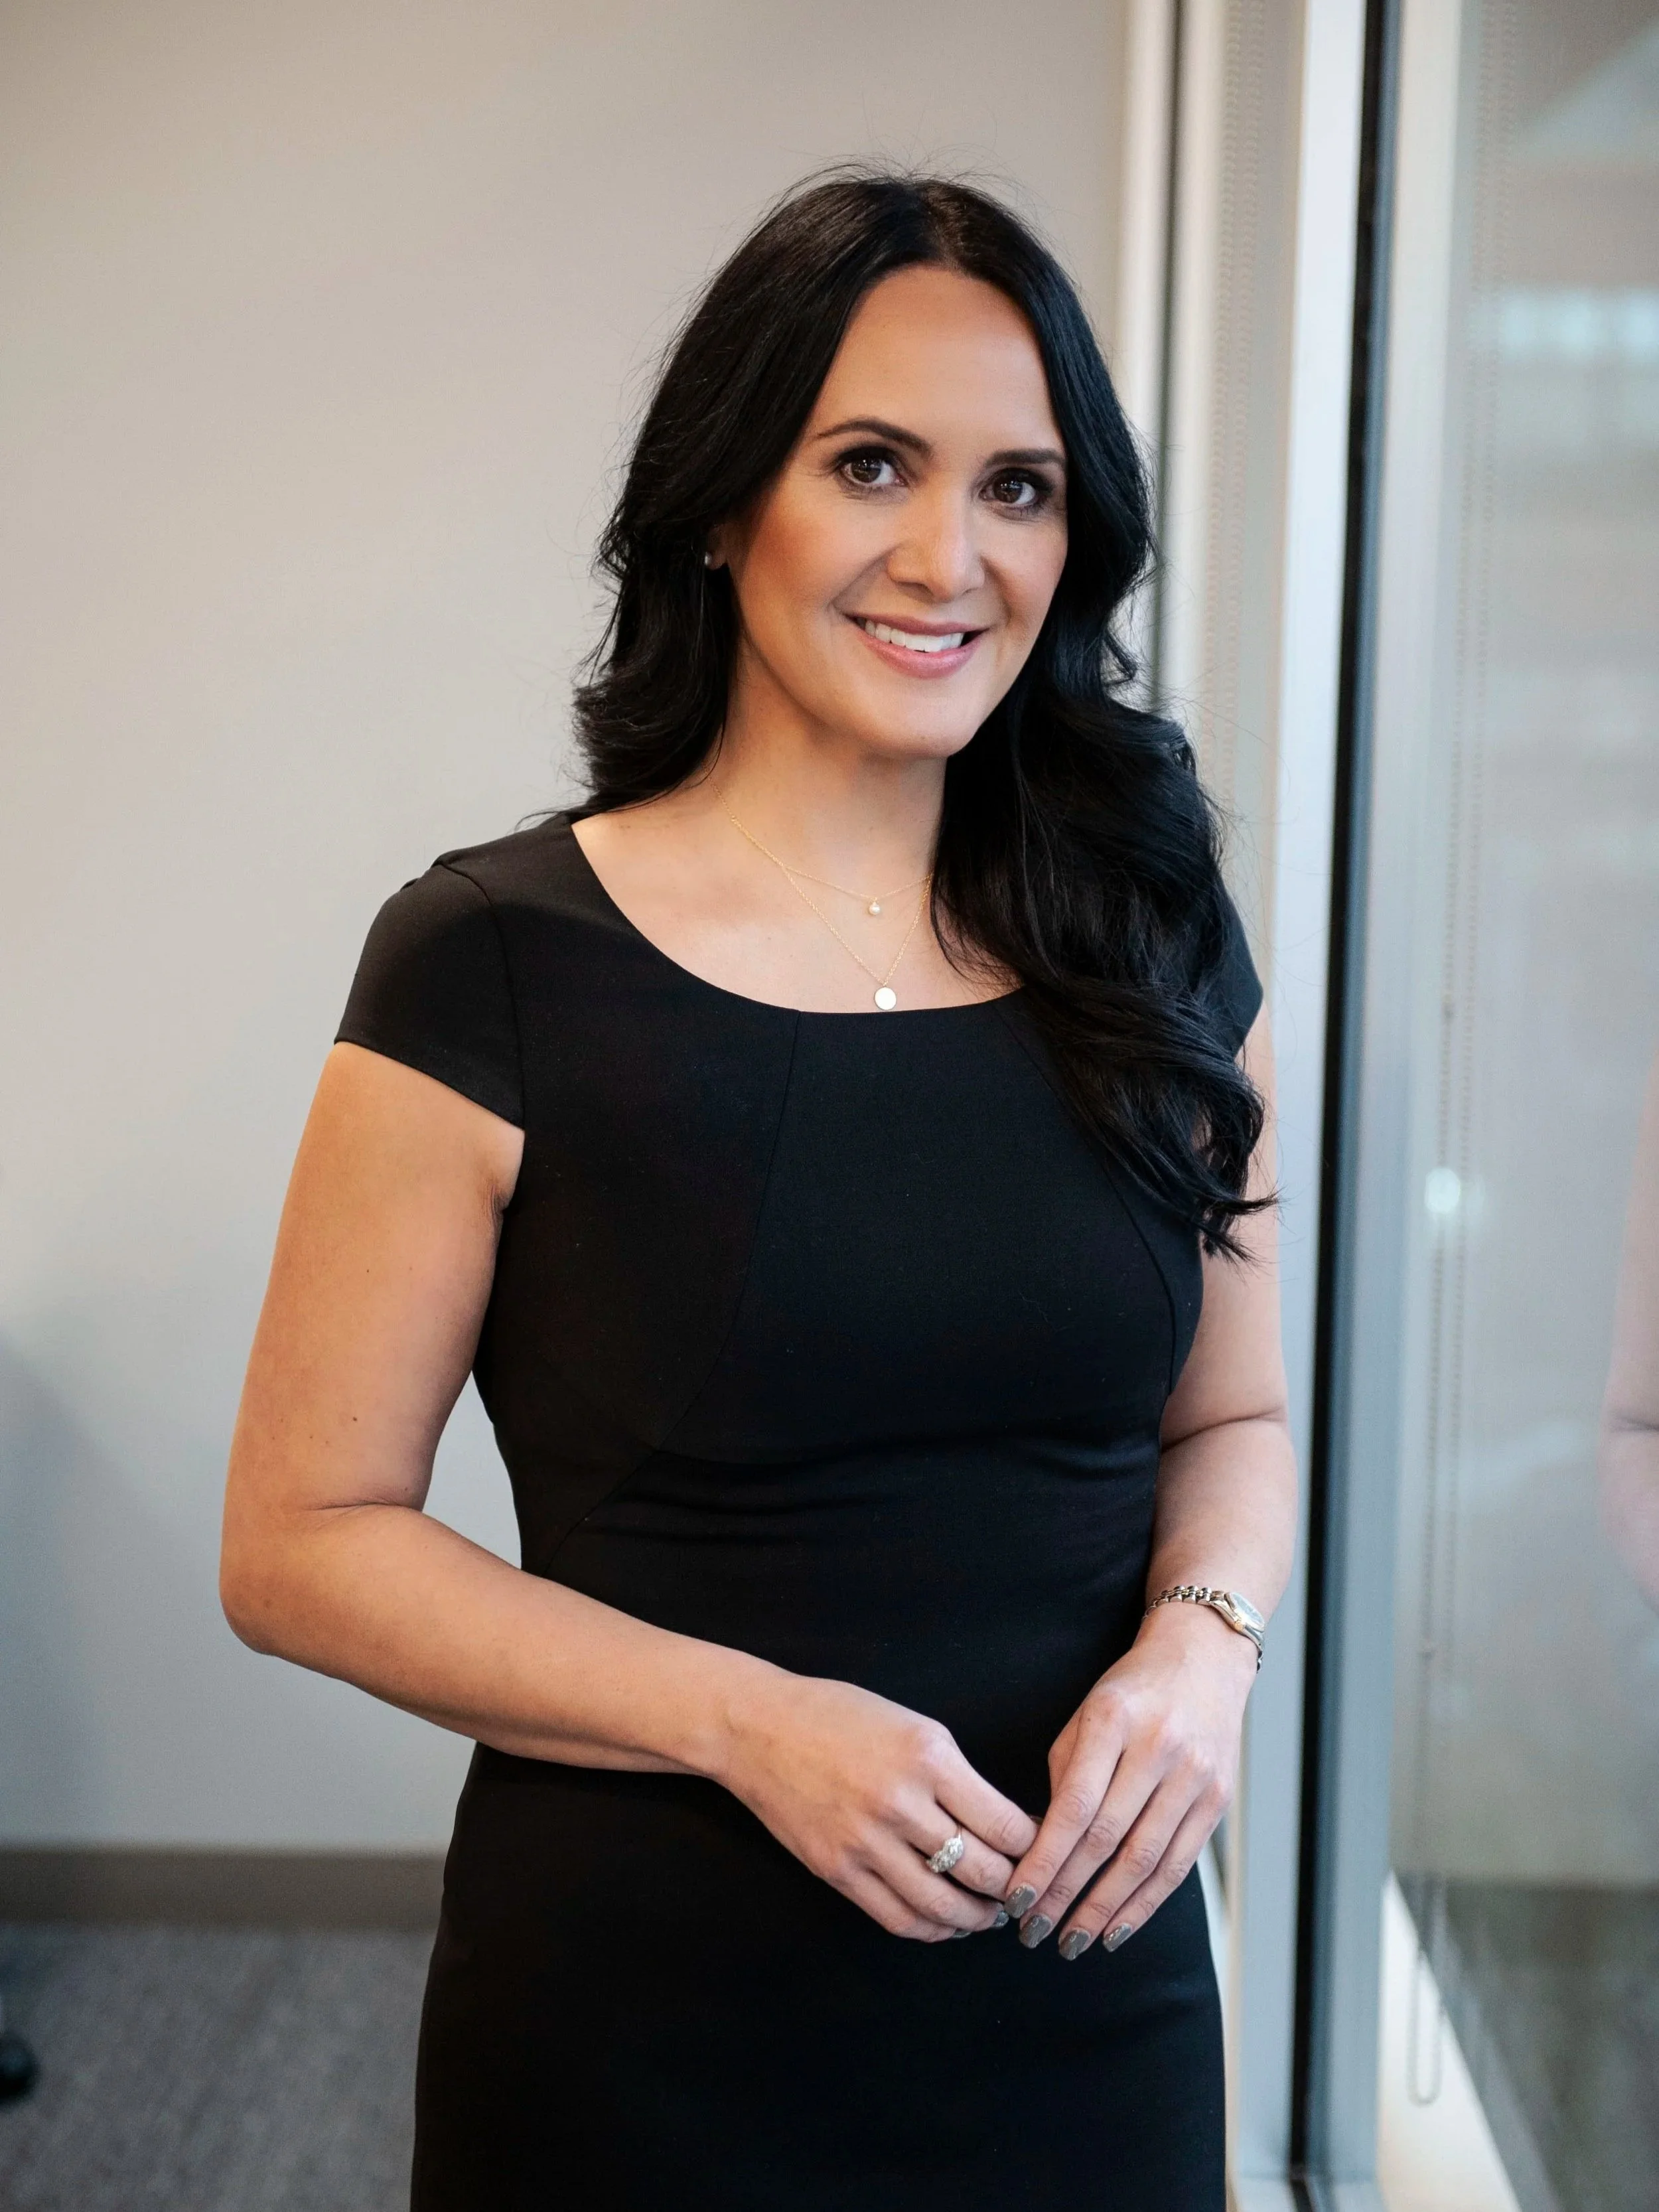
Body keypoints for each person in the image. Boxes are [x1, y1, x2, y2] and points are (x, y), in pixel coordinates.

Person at [220, 171, 1297, 2210]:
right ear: (724, 505)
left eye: (1019, 487)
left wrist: (1204, 1646)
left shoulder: (1152, 935)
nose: (946, 555)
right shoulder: (493, 958)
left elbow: (1227, 1417)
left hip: (1088, 1992)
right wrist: (749, 1724)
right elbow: (298, 1539)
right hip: (647, 2015)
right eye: (870, 463)